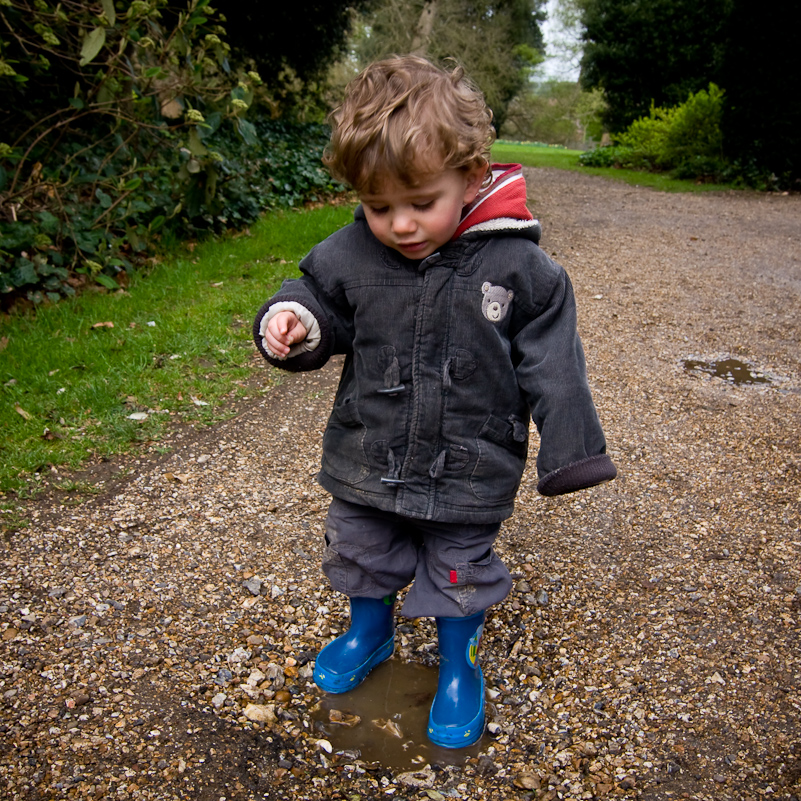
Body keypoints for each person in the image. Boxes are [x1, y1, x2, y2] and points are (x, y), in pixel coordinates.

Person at [253, 55, 616, 749]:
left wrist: (572, 451)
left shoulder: (520, 270)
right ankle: (369, 626)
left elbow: (554, 361)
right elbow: (315, 297)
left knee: (459, 569)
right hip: (369, 447)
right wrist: (291, 322)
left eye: (421, 202)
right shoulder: (350, 252)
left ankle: (458, 663)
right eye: (378, 205)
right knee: (360, 547)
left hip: (468, 460)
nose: (400, 224)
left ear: (473, 176)